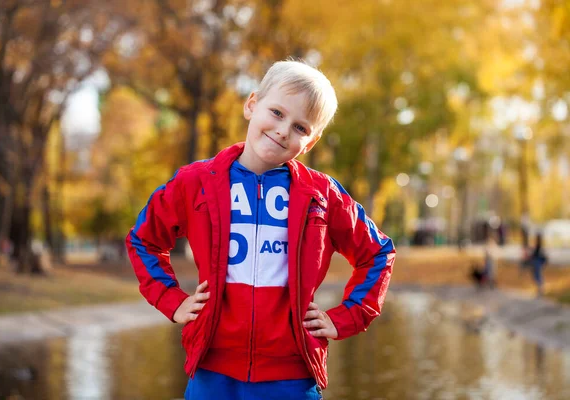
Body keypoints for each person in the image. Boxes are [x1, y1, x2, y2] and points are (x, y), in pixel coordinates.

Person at [126, 60, 396, 400]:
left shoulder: (322, 196)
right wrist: (171, 300)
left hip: (292, 376)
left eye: (301, 127)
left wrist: (344, 318)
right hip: (212, 371)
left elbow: (378, 252)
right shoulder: (195, 183)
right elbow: (144, 239)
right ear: (252, 105)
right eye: (277, 113)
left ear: (311, 142)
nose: (284, 130)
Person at [529, 232, 547, 296]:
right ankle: (540, 289)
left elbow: (536, 254)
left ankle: (540, 289)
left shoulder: (538, 246)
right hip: (537, 262)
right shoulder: (539, 246)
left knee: (538, 276)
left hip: (537, 262)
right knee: (537, 276)